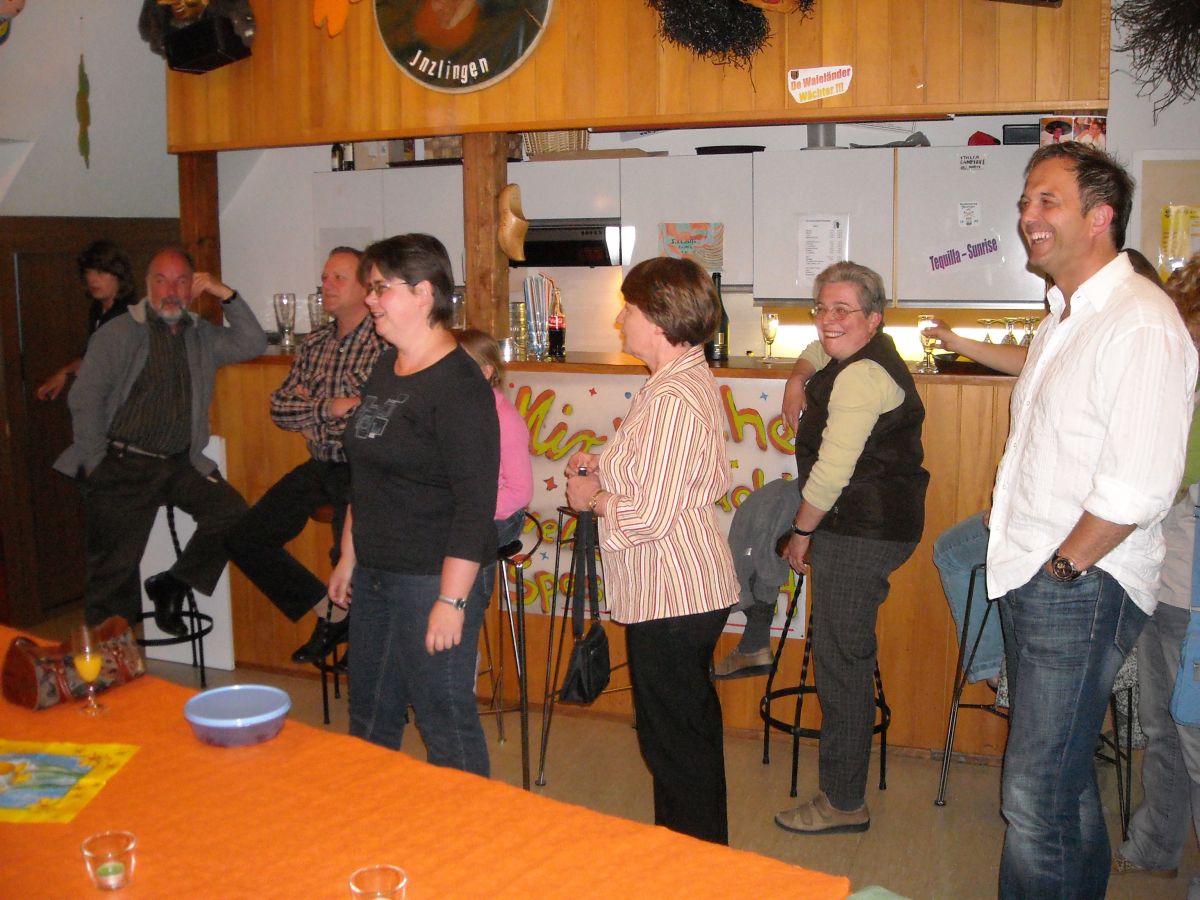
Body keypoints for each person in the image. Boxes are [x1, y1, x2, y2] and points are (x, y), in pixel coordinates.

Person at [986, 142, 1197, 898]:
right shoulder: (1065, 317)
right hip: (1042, 576)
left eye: (1047, 200)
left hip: (1079, 583)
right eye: (1026, 201)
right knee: (1064, 784)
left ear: (1101, 217)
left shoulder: (1140, 322)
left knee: (1032, 794)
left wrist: (1062, 568)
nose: (1028, 216)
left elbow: (1139, 487)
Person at [926, 246, 1168, 688]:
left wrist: (1061, 569)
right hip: (1042, 535)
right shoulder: (1066, 329)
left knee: (954, 552)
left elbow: (1132, 487)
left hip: (1079, 549)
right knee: (952, 550)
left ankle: (997, 673)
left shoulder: (1141, 332)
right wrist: (956, 342)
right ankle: (996, 672)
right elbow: (1027, 366)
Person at [563, 256, 738, 844]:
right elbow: (668, 478)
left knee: (675, 748)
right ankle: (691, 857)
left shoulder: (673, 397)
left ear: (659, 319)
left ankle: (694, 863)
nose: (620, 320)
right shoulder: (675, 382)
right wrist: (603, 466)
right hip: (676, 591)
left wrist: (592, 498)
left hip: (674, 595)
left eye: (629, 309)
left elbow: (648, 513)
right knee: (680, 740)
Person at [328, 234, 499, 776]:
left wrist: (451, 601)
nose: (370, 299)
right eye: (370, 288)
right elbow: (366, 475)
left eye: (381, 288)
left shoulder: (459, 386)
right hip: (376, 572)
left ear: (424, 293)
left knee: (443, 720)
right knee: (369, 716)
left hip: (432, 578)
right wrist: (349, 556)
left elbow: (476, 505)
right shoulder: (387, 366)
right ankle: (379, 818)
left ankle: (472, 827)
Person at [770, 261, 929, 836]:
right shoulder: (864, 352)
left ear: (874, 317)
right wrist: (797, 376)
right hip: (872, 521)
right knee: (844, 654)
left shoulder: (862, 377)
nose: (827, 320)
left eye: (842, 310)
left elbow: (833, 472)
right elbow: (819, 349)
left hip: (860, 527)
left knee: (841, 663)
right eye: (821, 308)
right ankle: (844, 789)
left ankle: (843, 802)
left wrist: (802, 533)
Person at [52, 248, 267, 633]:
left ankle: (173, 583)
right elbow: (84, 399)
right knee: (113, 576)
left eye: (181, 281)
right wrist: (96, 463)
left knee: (232, 514)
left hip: (180, 463)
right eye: (161, 281)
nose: (171, 291)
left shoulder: (200, 335)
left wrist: (225, 294)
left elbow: (252, 342)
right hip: (122, 464)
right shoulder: (119, 333)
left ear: (193, 288)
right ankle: (110, 663)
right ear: (147, 285)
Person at [225, 247, 384, 664]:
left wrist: (313, 410)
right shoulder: (313, 343)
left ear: (366, 286)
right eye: (325, 277)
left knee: (349, 554)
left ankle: (361, 643)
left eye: (338, 278)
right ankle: (332, 613)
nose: (326, 285)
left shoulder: (384, 342)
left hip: (363, 468)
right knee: (245, 538)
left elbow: (371, 418)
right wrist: (332, 407)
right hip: (320, 463)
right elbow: (280, 409)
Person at [1114, 252, 1200, 893]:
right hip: (1169, 578)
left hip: (1188, 590)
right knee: (1166, 726)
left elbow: (1167, 477)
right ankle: (1154, 847)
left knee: (1186, 733)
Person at [457, 328, 533, 548]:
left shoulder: (505, 420)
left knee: (455, 541)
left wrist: (469, 509)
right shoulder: (451, 412)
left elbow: (520, 491)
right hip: (464, 510)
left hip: (503, 514)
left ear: (486, 371)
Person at [36, 240, 138, 401]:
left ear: (118, 275)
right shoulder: (97, 308)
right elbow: (90, 354)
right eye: (88, 272)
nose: (92, 279)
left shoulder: (126, 315)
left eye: (100, 272)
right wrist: (64, 372)